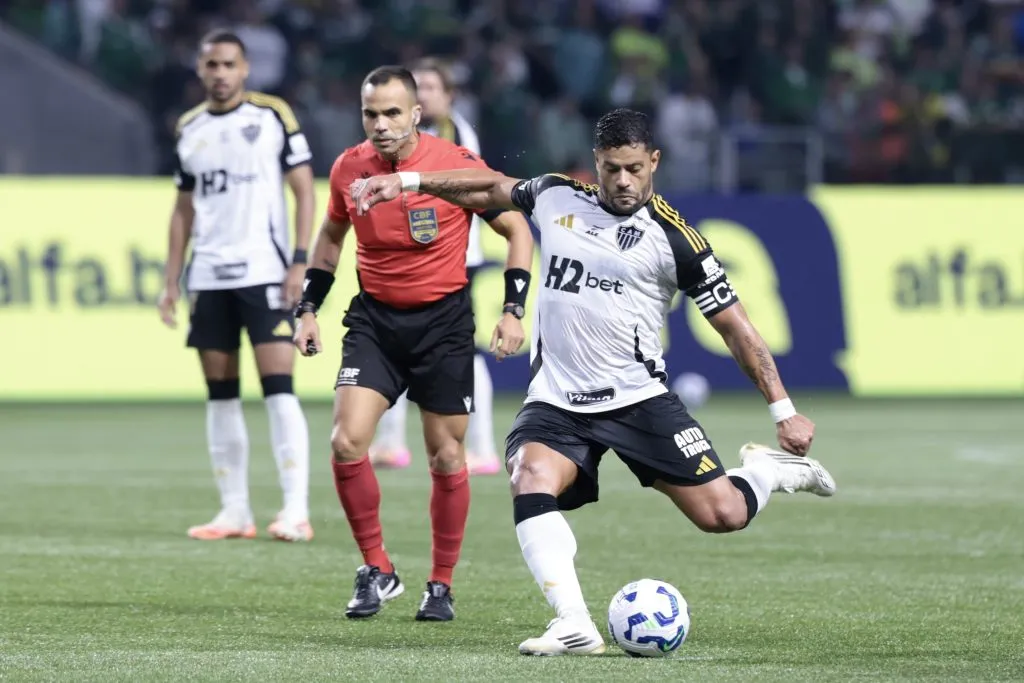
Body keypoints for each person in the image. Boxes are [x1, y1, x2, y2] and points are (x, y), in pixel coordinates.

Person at [350, 108, 837, 654]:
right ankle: (573, 623)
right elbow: (490, 188)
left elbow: (738, 330)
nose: (623, 181)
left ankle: (767, 472)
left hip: (638, 398)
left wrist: (782, 410)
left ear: (653, 161)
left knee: (722, 515)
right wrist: (409, 181)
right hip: (557, 400)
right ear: (596, 164)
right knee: (529, 474)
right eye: (611, 169)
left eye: (634, 168)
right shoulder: (558, 196)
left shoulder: (677, 241)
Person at [291, 66, 535, 622]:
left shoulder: (455, 166)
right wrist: (307, 309)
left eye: (392, 113)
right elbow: (331, 237)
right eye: (370, 114)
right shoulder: (348, 168)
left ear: (417, 114)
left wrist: (513, 311)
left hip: (444, 326)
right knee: (346, 442)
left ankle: (441, 583)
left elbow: (517, 229)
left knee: (447, 456)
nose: (380, 125)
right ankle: (377, 568)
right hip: (375, 323)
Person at [157, 30, 316, 543]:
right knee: (220, 394)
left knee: (278, 388)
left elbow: (304, 189)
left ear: (245, 69)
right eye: (211, 65)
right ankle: (235, 511)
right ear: (199, 71)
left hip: (264, 271)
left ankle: (295, 509)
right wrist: (171, 278)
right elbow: (183, 210)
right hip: (209, 275)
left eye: (229, 64)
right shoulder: (189, 127)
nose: (220, 73)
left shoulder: (272, 116)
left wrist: (298, 263)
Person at [368, 58, 501, 476]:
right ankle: (391, 442)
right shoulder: (413, 133)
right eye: (418, 87)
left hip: (454, 256)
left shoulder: (454, 137)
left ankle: (481, 446)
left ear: (447, 95)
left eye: (431, 87)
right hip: (417, 253)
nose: (423, 94)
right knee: (399, 346)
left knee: (465, 352)